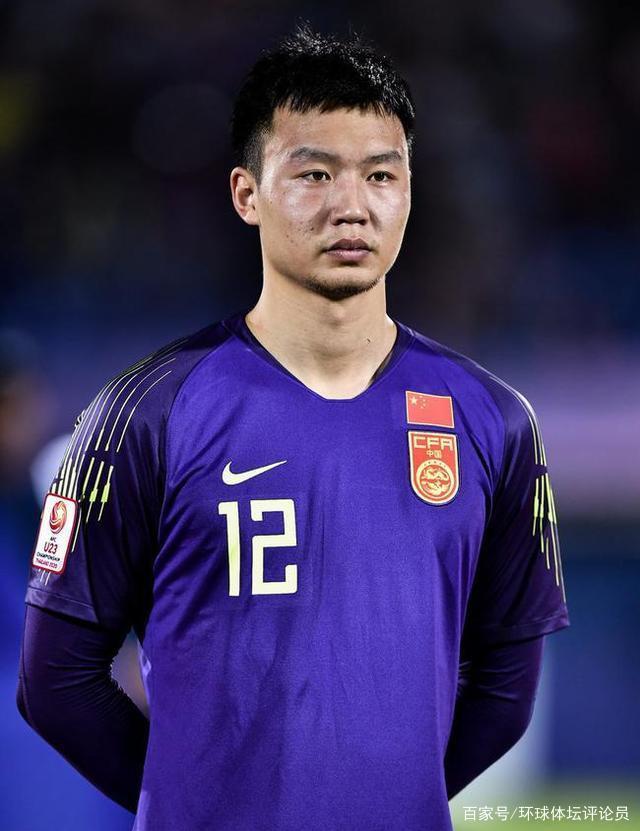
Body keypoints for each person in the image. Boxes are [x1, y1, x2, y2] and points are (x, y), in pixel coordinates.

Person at [17, 22, 569, 831]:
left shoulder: (495, 422)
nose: (352, 205)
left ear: (408, 191)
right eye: (314, 174)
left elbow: (504, 691)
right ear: (247, 193)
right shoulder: (141, 413)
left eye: (381, 174)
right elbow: (56, 682)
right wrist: (199, 801)